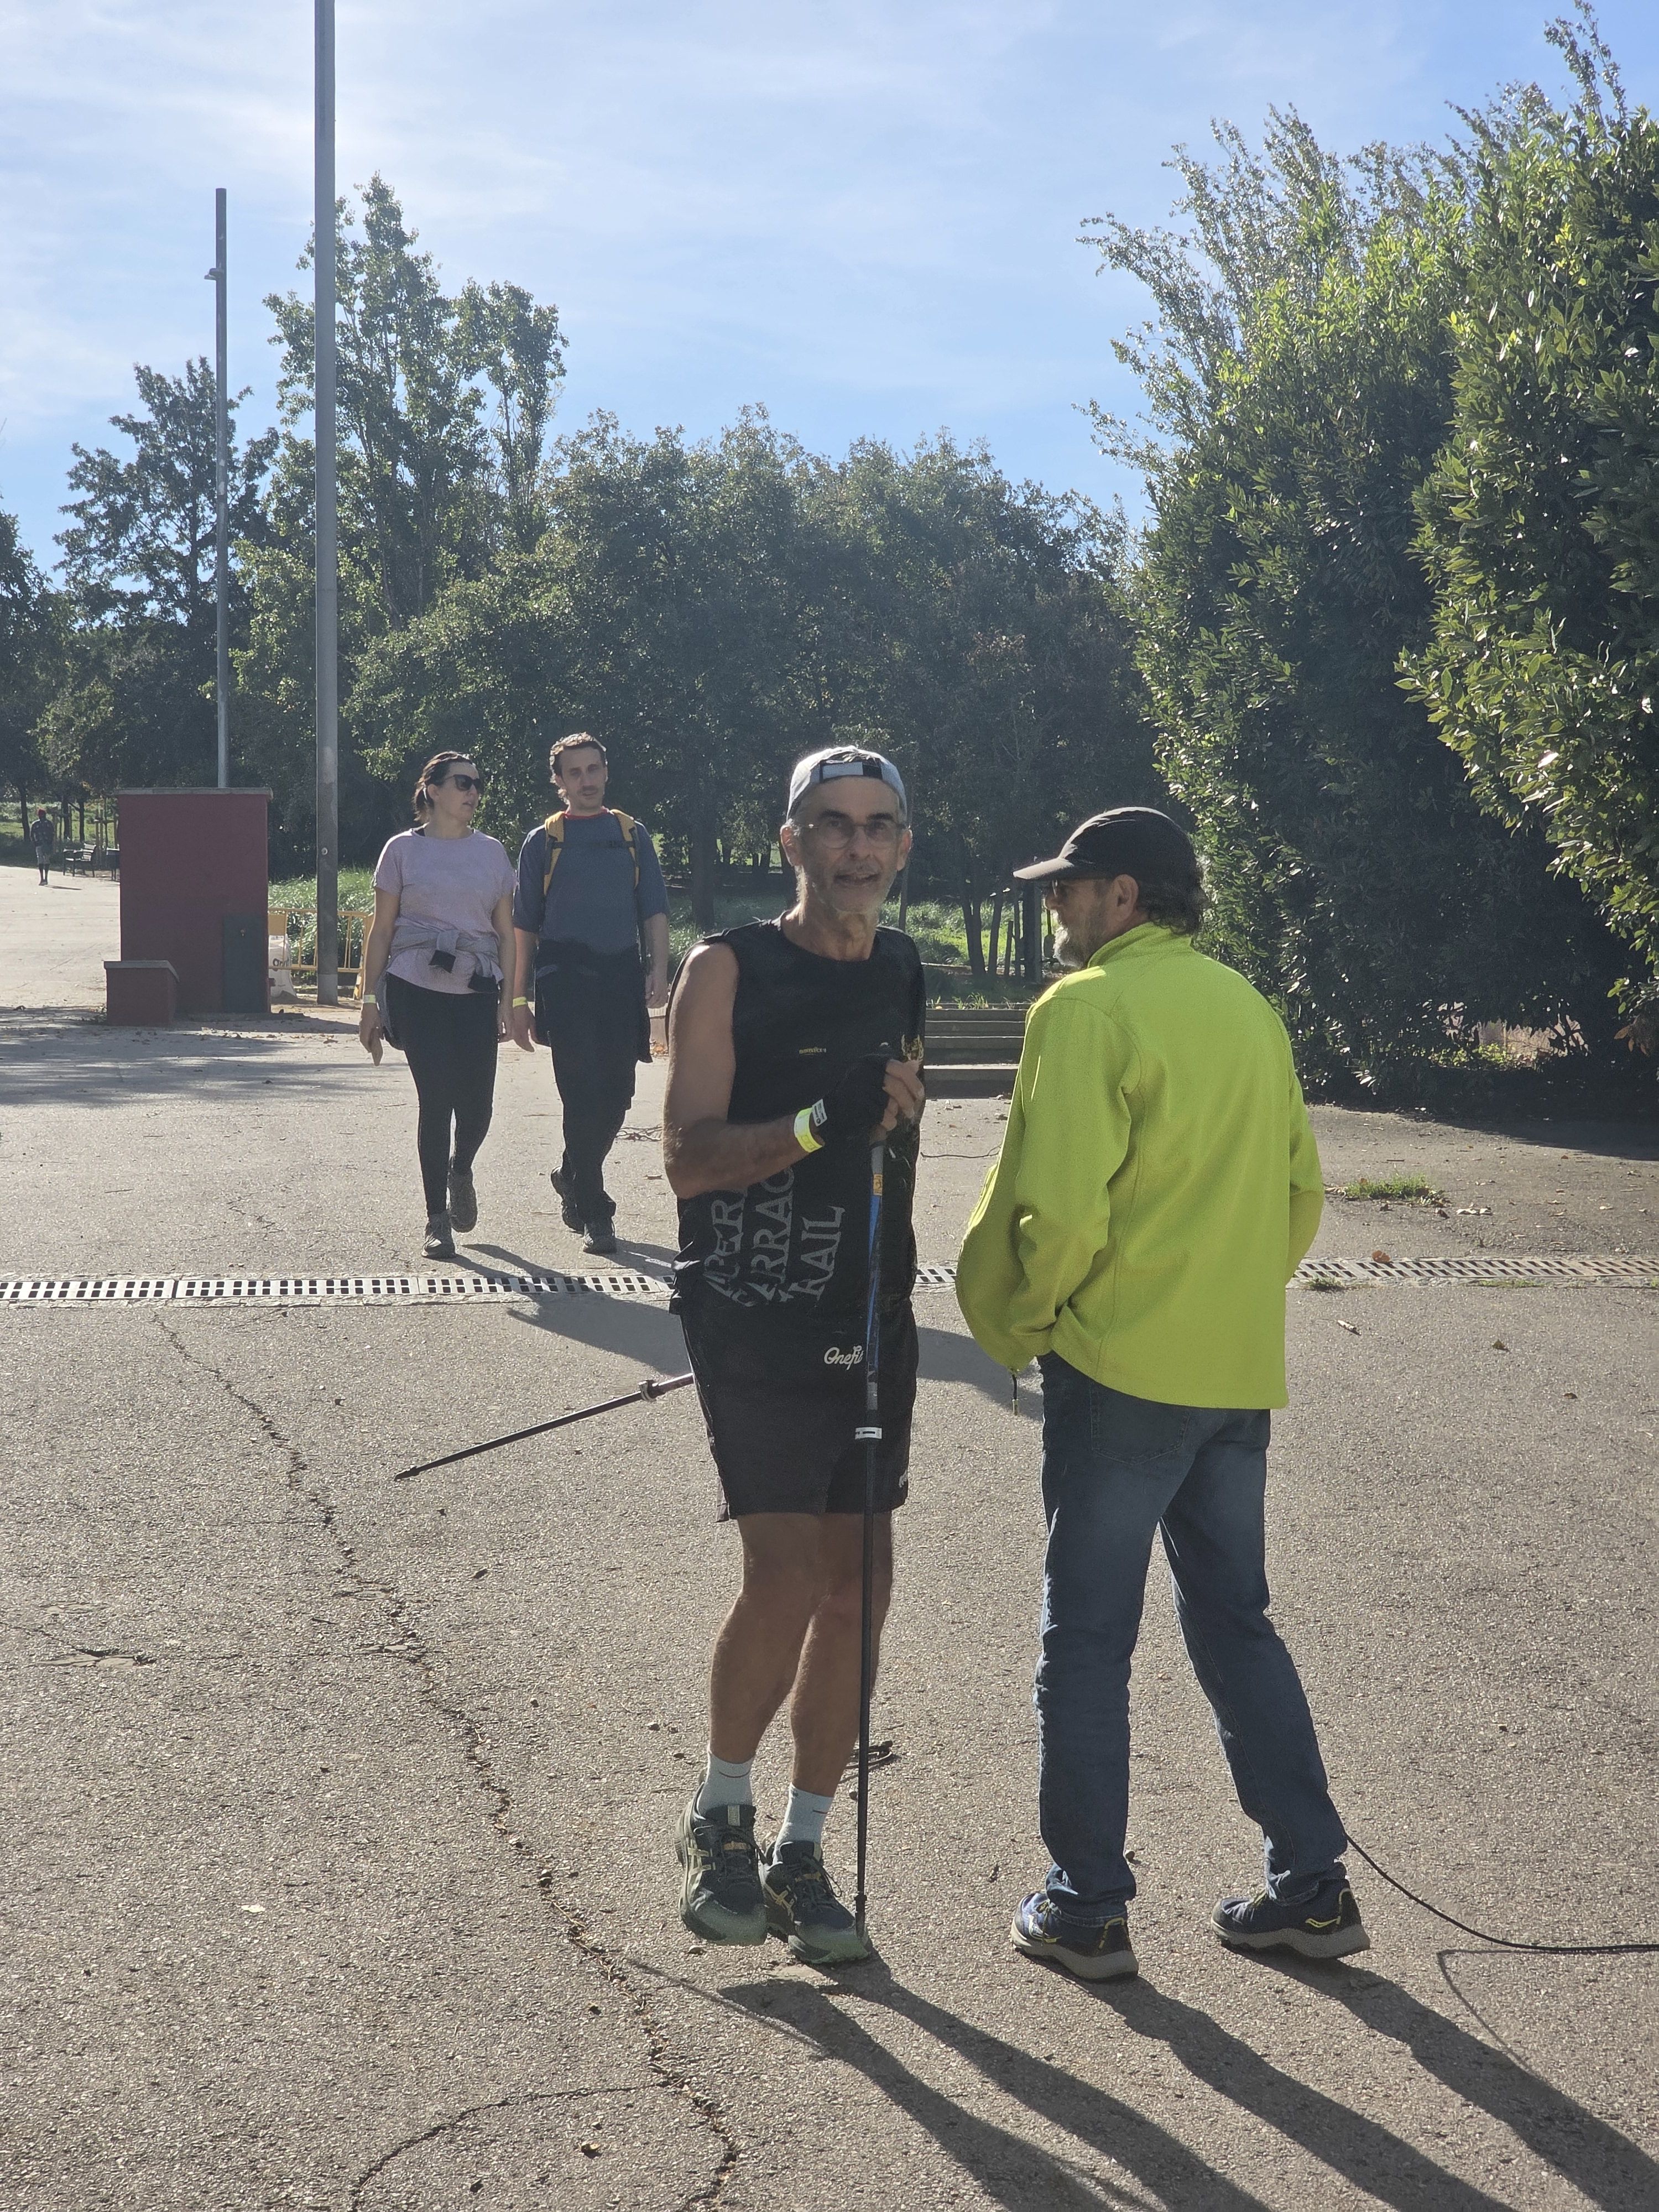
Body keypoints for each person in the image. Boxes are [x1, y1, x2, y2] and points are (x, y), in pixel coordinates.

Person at [956, 806, 1367, 1983]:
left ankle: (1087, 1904)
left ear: (1123, 895)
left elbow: (1059, 1208)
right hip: (1231, 1372)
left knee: (1087, 1639)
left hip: (1118, 1367)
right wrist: (1224, 1296)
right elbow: (1299, 1189)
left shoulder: (1086, 1007)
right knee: (1235, 1619)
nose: (1055, 904)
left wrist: (1028, 1323)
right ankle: (1313, 1886)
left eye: (1068, 885)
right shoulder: (1248, 1006)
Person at [662, 745, 926, 1966]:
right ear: (792, 842)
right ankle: (720, 1813)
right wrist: (825, 1118)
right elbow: (688, 1159)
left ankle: (802, 1849)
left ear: (903, 847)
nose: (856, 847)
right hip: (752, 1307)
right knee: (785, 1570)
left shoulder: (905, 968)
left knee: (858, 1584)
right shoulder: (725, 968)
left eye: (877, 826)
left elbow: (891, 1133)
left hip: (868, 1308)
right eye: (832, 824)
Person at [359, 752, 524, 1259]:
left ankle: (461, 1168)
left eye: (478, 783)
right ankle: (436, 1219)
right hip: (416, 987)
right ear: (432, 790)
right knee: (436, 1101)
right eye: (463, 782)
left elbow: (506, 934)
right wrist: (369, 1002)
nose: (474, 792)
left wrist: (510, 1000)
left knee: (477, 1107)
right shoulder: (402, 850)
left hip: (476, 988)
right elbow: (381, 931)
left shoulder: (492, 853)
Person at [511, 734, 671, 1257]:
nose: (586, 780)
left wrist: (659, 970)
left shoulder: (631, 835)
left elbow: (654, 910)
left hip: (620, 974)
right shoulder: (544, 841)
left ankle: (571, 1173)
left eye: (594, 769)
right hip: (564, 975)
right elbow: (523, 927)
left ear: (606, 771)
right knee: (580, 1094)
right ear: (559, 781)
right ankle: (596, 1211)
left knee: (618, 1094)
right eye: (574, 772)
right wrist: (518, 999)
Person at [30, 808, 55, 885]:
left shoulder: (49, 824)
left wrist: (50, 843)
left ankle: (46, 878)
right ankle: (42, 878)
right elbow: (32, 835)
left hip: (47, 845)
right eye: (40, 815)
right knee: (40, 860)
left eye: (42, 814)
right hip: (39, 844)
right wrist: (35, 843)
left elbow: (52, 834)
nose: (41, 816)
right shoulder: (36, 824)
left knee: (47, 861)